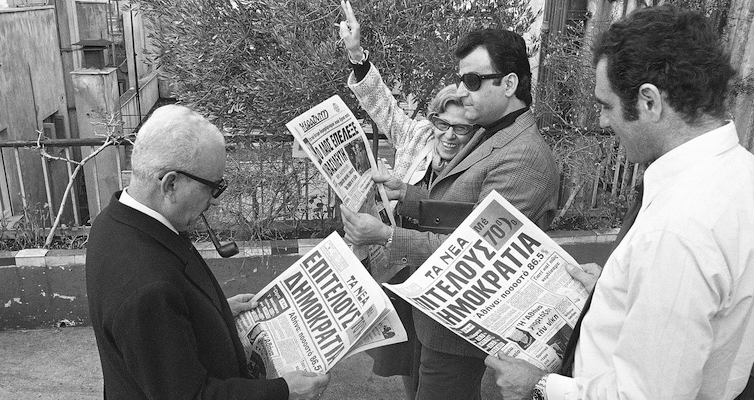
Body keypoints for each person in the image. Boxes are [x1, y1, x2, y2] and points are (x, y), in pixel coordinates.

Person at [483, 5, 754, 399]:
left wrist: (537, 385)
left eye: (606, 106)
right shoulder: (740, 172)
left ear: (649, 101)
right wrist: (616, 289)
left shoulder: (678, 230)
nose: (604, 123)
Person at [341, 27, 560, 400]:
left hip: (459, 332)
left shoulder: (524, 156)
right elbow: (467, 212)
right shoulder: (489, 131)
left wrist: (384, 236)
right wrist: (406, 196)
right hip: (434, 317)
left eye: (473, 80)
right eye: (462, 79)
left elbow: (477, 253)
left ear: (509, 83)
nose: (462, 91)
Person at [85, 105, 331, 400]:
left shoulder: (113, 220)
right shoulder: (149, 290)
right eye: (213, 187)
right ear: (171, 183)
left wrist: (213, 314)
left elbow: (165, 330)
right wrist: (285, 390)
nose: (215, 202)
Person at [337, 2, 477, 398]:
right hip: (396, 267)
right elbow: (382, 105)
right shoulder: (416, 136)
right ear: (432, 120)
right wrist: (356, 54)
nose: (449, 136)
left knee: (432, 359)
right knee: (403, 355)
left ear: (474, 133)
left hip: (437, 271)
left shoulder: (476, 165)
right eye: (442, 124)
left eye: (462, 130)